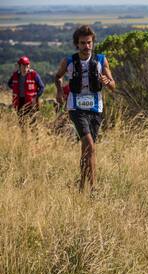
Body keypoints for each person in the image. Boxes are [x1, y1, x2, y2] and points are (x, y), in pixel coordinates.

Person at [54, 25, 115, 193]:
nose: (86, 46)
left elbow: (113, 86)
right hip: (76, 107)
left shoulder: (101, 60)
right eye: (82, 43)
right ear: (77, 44)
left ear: (93, 43)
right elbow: (57, 77)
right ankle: (93, 188)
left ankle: (81, 185)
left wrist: (107, 82)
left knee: (87, 149)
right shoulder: (69, 61)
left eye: (89, 43)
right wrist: (60, 92)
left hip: (96, 107)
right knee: (90, 145)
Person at [8, 56, 45, 126]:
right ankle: (24, 136)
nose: (25, 67)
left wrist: (36, 97)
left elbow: (42, 87)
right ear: (19, 66)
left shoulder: (34, 74)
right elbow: (9, 84)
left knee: (33, 125)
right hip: (19, 102)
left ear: (29, 66)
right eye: (23, 65)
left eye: (27, 65)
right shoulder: (15, 75)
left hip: (31, 103)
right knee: (21, 123)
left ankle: (34, 137)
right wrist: (16, 89)